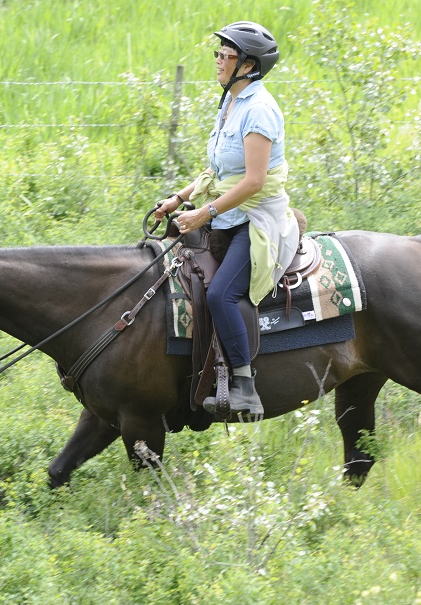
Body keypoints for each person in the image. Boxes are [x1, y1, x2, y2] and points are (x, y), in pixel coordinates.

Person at [154, 21, 299, 419]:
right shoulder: (231, 101)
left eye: (226, 55)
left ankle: (244, 383)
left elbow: (253, 181)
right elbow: (218, 170)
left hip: (254, 218)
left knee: (220, 294)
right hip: (226, 211)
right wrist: (179, 198)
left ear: (249, 65)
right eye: (217, 53)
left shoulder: (260, 111)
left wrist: (205, 212)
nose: (218, 60)